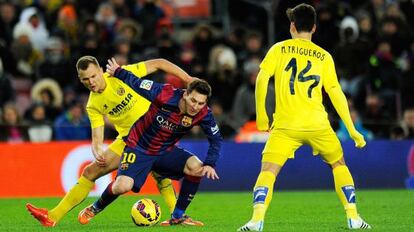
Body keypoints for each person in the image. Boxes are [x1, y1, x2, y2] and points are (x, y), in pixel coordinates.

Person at [238, 4, 371, 231]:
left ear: (292, 26)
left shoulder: (279, 49)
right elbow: (336, 93)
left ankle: (256, 220)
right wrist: (351, 128)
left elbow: (261, 79)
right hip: (317, 124)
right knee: (338, 164)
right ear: (314, 28)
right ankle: (354, 218)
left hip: (286, 125)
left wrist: (262, 115)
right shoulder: (324, 56)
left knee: (268, 170)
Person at [26, 55, 193, 227]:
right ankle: (52, 216)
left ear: (100, 70)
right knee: (90, 172)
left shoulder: (121, 74)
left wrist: (187, 79)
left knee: (160, 173)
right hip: (130, 140)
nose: (91, 81)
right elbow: (97, 137)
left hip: (156, 132)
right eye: (86, 79)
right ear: (80, 80)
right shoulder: (93, 105)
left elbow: (159, 63)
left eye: (93, 76)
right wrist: (97, 150)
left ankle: (177, 216)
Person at [77, 58, 222, 226]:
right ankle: (94, 208)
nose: (196, 106)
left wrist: (210, 163)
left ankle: (178, 215)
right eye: (193, 101)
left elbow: (216, 139)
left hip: (164, 150)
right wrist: (118, 72)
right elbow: (137, 84)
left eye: (201, 103)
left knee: (197, 168)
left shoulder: (204, 114)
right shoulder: (165, 94)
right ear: (185, 94)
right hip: (138, 147)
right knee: (122, 186)